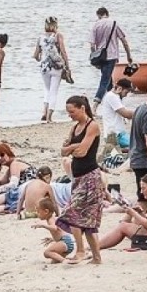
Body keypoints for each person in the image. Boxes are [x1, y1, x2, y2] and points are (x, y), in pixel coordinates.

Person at [57, 96, 103, 265]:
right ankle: (95, 257)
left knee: (76, 213)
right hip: (77, 178)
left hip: (91, 177)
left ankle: (81, 251)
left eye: (72, 111)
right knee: (82, 217)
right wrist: (72, 148)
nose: (70, 115)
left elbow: (83, 152)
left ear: (82, 108)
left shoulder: (93, 126)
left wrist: (71, 148)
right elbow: (63, 151)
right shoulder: (74, 128)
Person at [98, 173, 147, 250]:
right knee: (126, 224)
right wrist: (140, 213)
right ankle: (97, 245)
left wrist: (133, 213)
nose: (141, 192)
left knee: (123, 226)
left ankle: (96, 246)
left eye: (143, 188)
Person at [89, 7, 132, 104]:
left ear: (99, 15)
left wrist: (94, 57)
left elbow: (92, 45)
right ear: (107, 14)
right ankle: (96, 103)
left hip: (100, 56)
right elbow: (124, 41)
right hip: (111, 56)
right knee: (105, 80)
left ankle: (114, 102)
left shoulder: (95, 25)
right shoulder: (114, 23)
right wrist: (129, 55)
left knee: (108, 79)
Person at [33, 17, 71, 123]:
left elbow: (36, 55)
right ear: (56, 25)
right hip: (56, 66)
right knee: (53, 91)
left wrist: (41, 59)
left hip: (44, 67)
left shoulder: (40, 37)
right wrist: (67, 65)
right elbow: (63, 51)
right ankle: (49, 117)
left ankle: (44, 112)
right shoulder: (58, 35)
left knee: (47, 89)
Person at [98, 78, 135, 159]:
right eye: (126, 92)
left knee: (135, 144)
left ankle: (116, 150)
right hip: (116, 134)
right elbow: (125, 114)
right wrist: (140, 113)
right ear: (120, 89)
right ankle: (113, 150)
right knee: (137, 146)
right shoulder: (112, 97)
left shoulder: (114, 96)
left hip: (120, 133)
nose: (126, 95)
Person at [32, 194, 76, 262]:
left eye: (38, 211)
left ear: (46, 211)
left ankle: (65, 261)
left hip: (65, 242)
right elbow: (59, 232)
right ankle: (69, 259)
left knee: (47, 253)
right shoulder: (51, 219)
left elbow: (55, 228)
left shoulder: (51, 219)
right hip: (66, 242)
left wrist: (43, 226)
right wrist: (52, 239)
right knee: (54, 261)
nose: (37, 213)